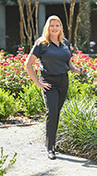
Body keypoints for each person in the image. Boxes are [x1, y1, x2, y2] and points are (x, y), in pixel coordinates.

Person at [25, 15, 82, 160]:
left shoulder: (64, 43)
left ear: (61, 27)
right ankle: (50, 148)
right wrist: (38, 83)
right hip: (48, 81)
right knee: (51, 112)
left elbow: (68, 62)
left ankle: (52, 143)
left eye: (57, 25)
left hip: (63, 81)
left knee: (56, 113)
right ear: (47, 28)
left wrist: (76, 70)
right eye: (52, 26)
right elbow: (28, 63)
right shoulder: (41, 43)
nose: (54, 28)